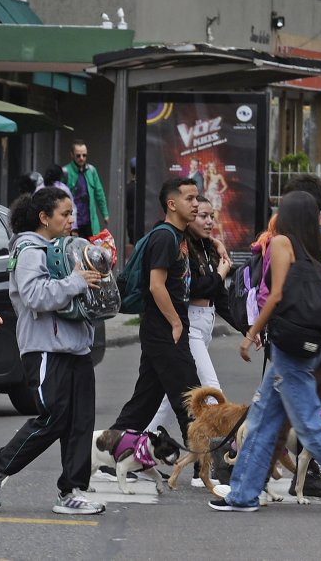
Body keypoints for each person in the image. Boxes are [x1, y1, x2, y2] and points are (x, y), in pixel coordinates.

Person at [209, 191, 321, 515]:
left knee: (308, 423)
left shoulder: (282, 243)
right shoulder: (314, 249)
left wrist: (250, 334)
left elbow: (276, 295)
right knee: (264, 419)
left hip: (289, 348)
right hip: (311, 345)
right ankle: (243, 493)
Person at [0, 188, 104, 515]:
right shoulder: (29, 249)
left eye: (72, 214)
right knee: (53, 418)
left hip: (76, 348)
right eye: (65, 214)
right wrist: (75, 281)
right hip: (44, 349)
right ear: (44, 218)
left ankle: (72, 491)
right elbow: (33, 296)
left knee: (80, 422)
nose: (72, 220)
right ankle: (0, 465)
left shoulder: (64, 248)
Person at [108, 178, 202, 444]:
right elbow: (156, 285)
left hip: (162, 329)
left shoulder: (179, 236)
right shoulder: (164, 237)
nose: (195, 204)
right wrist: (175, 323)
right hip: (164, 329)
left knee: (144, 403)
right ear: (172, 204)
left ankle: (109, 456)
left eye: (197, 198)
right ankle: (205, 465)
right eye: (190, 199)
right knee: (190, 398)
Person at [145, 196, 233, 467]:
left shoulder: (208, 248)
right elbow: (196, 288)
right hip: (187, 326)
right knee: (210, 393)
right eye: (202, 215)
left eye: (210, 216)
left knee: (167, 401)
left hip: (202, 324)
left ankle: (135, 449)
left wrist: (250, 330)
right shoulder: (180, 246)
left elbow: (218, 296)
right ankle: (211, 464)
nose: (208, 221)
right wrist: (220, 274)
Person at [63, 140, 109, 239]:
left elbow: (99, 193)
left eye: (84, 155)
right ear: (72, 155)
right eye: (78, 156)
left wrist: (105, 213)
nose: (81, 158)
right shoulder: (66, 172)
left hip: (89, 222)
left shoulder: (91, 171)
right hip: (74, 222)